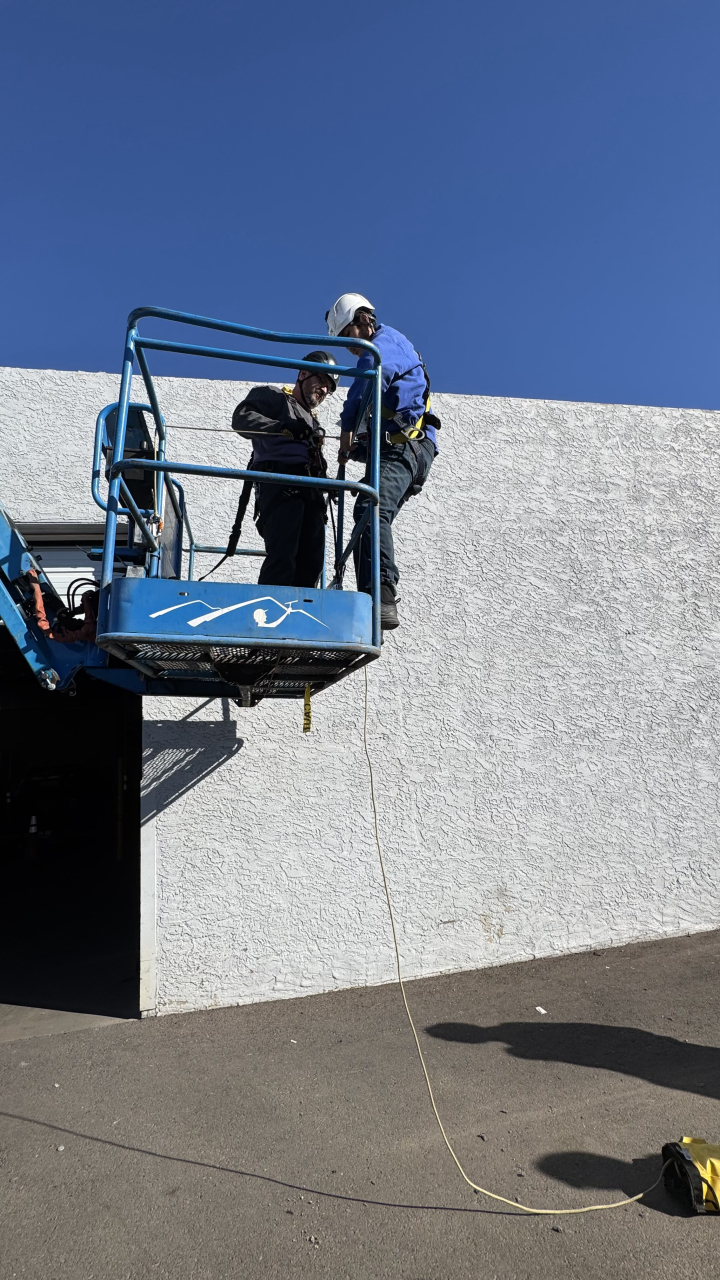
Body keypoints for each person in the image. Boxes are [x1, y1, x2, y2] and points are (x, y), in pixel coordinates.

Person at [326, 293, 439, 629]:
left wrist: (348, 429)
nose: (350, 347)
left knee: (369, 509)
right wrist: (357, 448)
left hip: (407, 448)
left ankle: (382, 595)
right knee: (368, 509)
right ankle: (372, 596)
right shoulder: (391, 343)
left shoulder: (384, 345)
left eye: (347, 336)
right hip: (402, 446)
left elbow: (368, 380)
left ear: (364, 320)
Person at [231, 352, 338, 587]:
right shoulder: (273, 397)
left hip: (311, 492)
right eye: (321, 381)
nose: (323, 390)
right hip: (280, 485)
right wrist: (280, 427)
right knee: (283, 557)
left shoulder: (314, 423)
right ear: (303, 373)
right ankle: (268, 612)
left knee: (312, 563)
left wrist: (329, 482)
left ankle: (300, 617)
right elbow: (241, 419)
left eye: (328, 388)